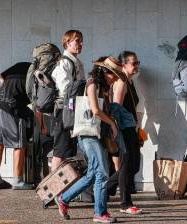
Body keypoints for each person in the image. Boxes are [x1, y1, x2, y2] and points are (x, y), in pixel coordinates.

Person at [54, 56, 124, 223]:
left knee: (92, 174)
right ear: (104, 71)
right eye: (112, 74)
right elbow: (95, 110)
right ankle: (100, 213)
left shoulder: (105, 88)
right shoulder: (92, 83)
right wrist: (112, 124)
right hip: (87, 134)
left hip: (97, 134)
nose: (114, 78)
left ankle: (64, 199)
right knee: (102, 173)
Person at [106, 51, 142, 214]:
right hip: (124, 130)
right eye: (134, 63)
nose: (136, 66)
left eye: (137, 63)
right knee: (127, 165)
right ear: (123, 65)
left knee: (133, 166)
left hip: (131, 128)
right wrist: (117, 131)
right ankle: (125, 203)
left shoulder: (129, 82)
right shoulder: (121, 82)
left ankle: (104, 188)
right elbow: (116, 108)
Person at [0, 62, 34, 190]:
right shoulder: (36, 73)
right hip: (12, 106)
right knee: (19, 143)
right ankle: (18, 181)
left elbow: (0, 76)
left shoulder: (21, 65)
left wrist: (7, 89)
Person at [50, 30, 85, 171]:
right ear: (67, 42)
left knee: (68, 151)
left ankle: (65, 187)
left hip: (72, 110)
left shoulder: (76, 62)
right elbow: (65, 89)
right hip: (64, 110)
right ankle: (52, 189)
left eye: (81, 41)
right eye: (77, 41)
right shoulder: (64, 62)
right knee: (60, 150)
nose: (80, 44)